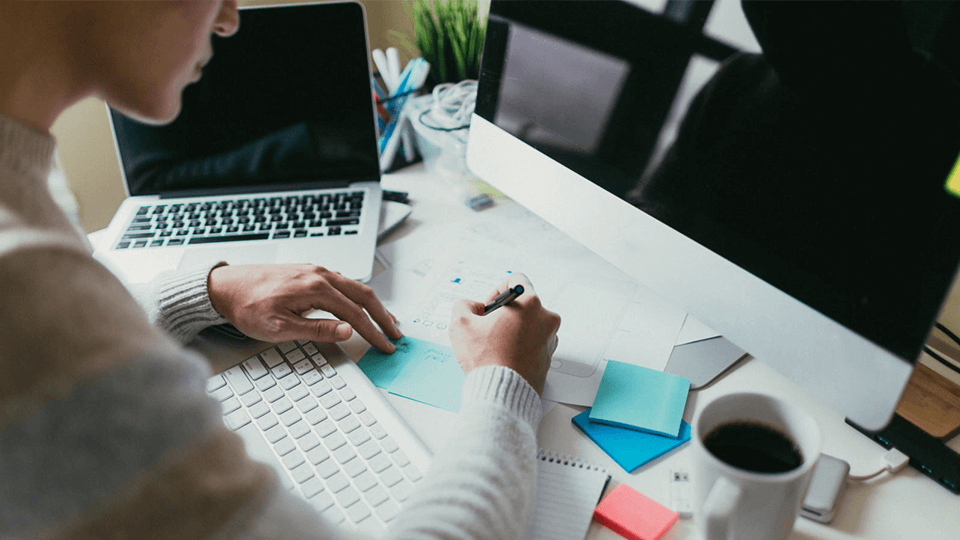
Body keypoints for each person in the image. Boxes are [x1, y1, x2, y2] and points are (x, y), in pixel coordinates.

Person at [0, 2, 561, 539]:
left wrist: (205, 292)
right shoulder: (26, 282)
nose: (228, 18)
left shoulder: (27, 195)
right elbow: (47, 331)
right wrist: (505, 385)